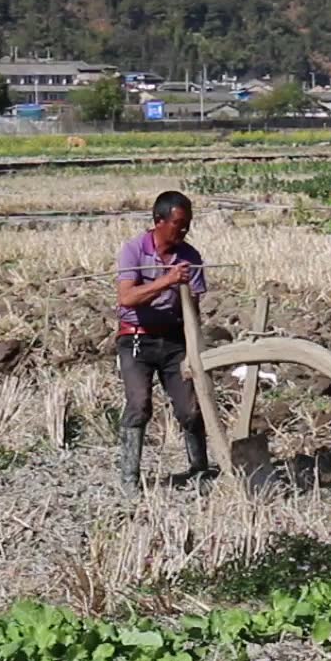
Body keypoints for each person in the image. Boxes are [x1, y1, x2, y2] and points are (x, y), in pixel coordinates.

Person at [114, 190, 211, 496]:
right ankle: (129, 479)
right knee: (139, 405)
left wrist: (196, 346)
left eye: (188, 225)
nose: (183, 231)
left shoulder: (190, 258)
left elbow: (193, 308)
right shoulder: (133, 251)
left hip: (174, 340)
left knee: (191, 409)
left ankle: (199, 471)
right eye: (178, 224)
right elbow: (127, 298)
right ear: (158, 221)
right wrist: (166, 281)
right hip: (137, 339)